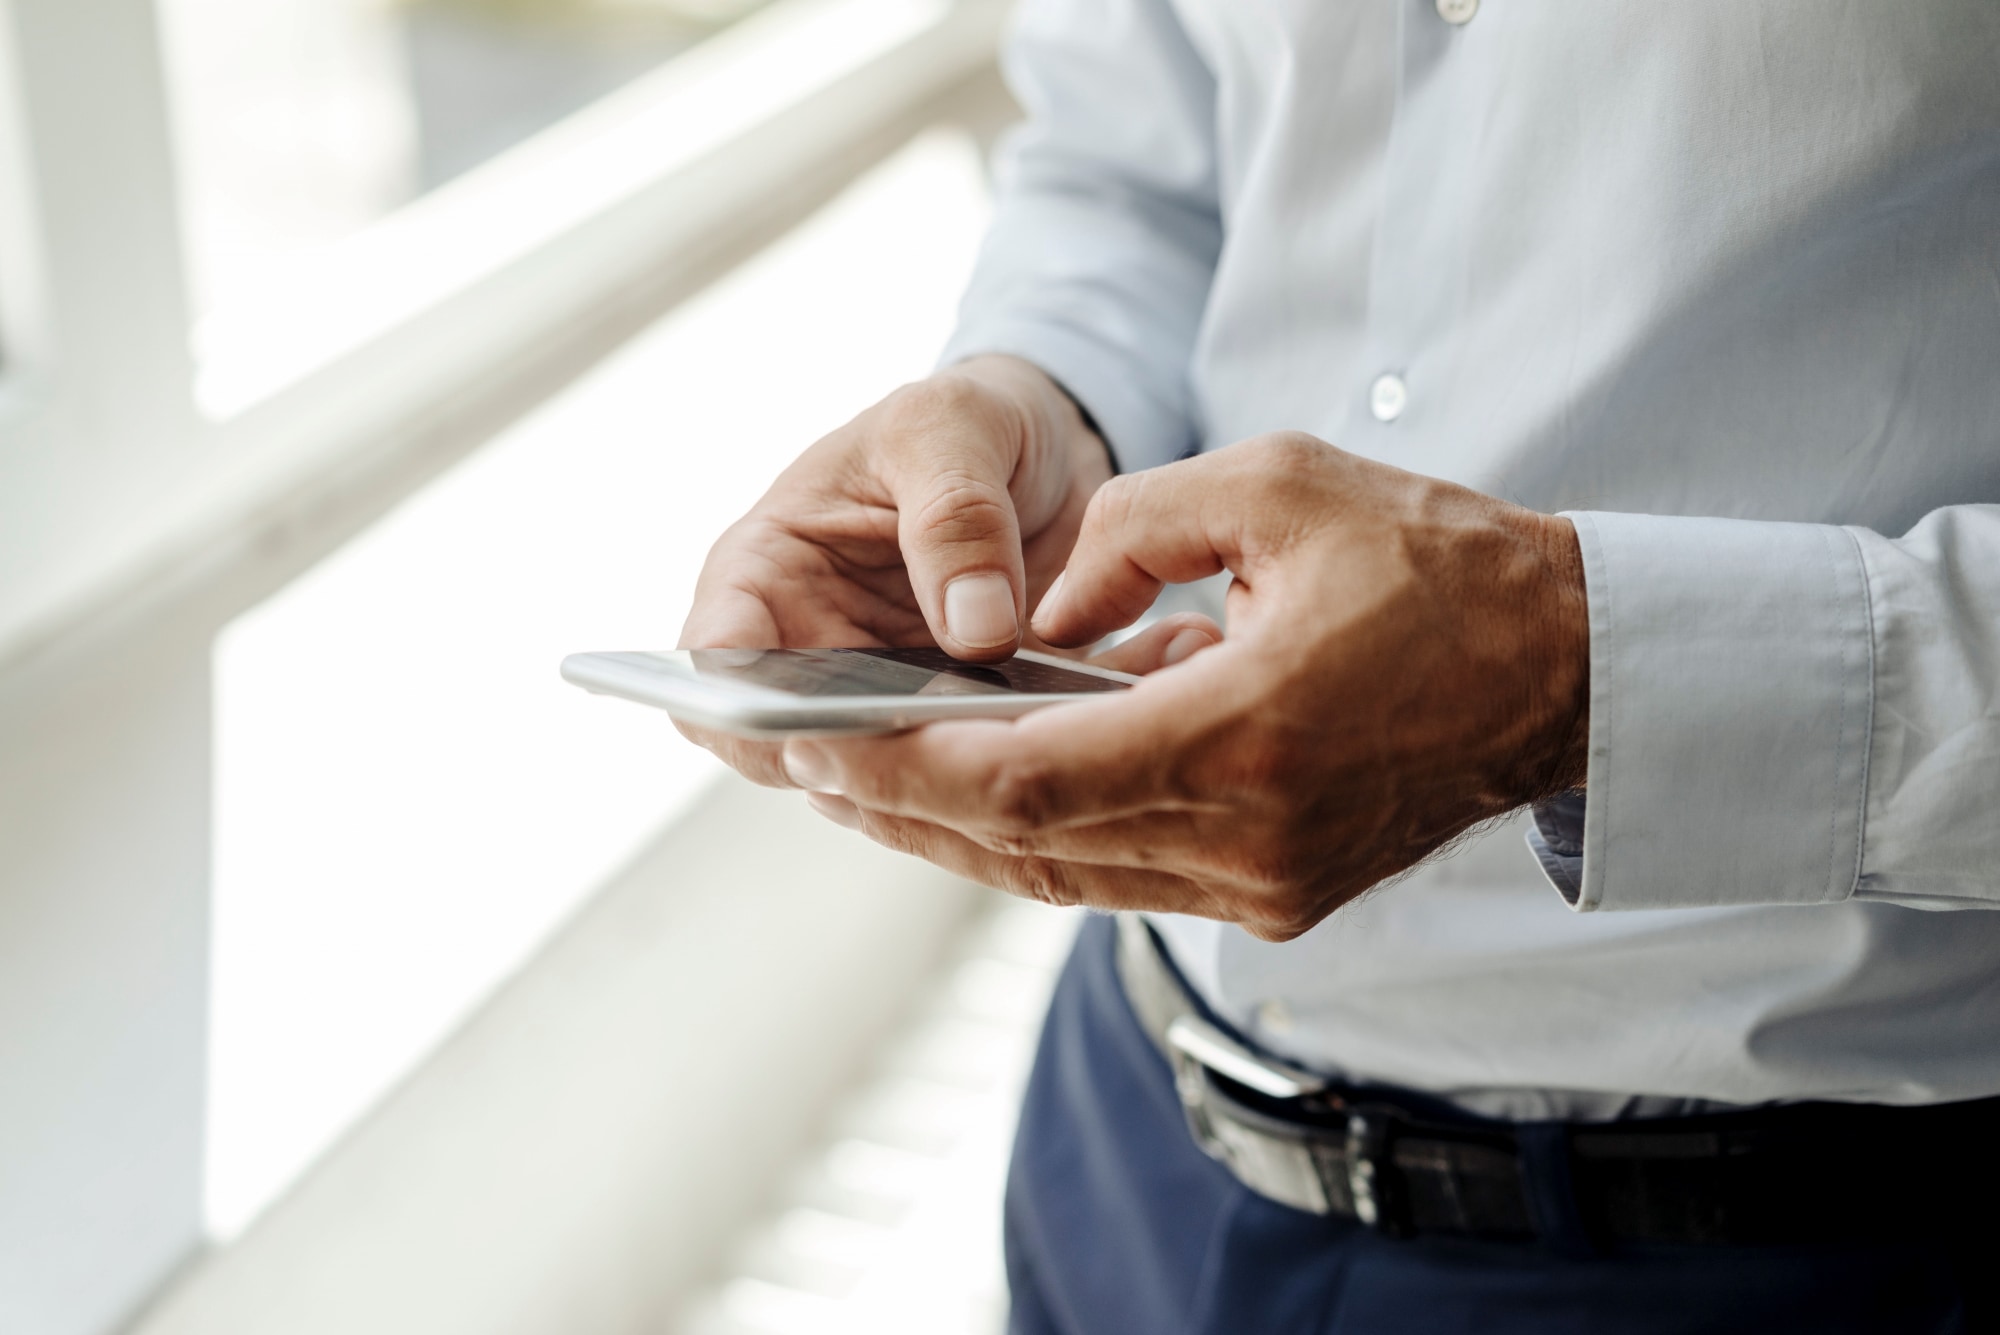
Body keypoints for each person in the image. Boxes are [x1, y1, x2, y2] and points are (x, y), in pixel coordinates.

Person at [680, 1, 2000, 1330]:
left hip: (1813, 1250)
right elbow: (1137, 152)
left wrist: (1580, 673)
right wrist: (1048, 396)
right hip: (1130, 1130)